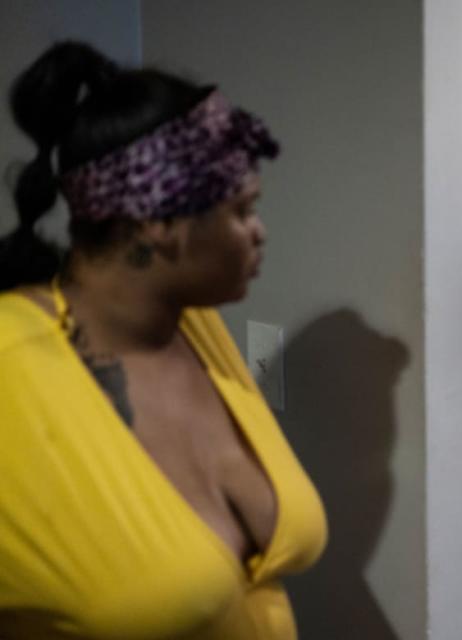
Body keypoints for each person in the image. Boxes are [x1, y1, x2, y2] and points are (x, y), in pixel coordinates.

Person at [0, 42, 327, 639]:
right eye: (242, 211)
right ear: (158, 221)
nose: (260, 233)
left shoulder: (189, 326)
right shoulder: (11, 371)